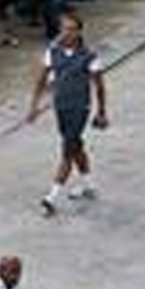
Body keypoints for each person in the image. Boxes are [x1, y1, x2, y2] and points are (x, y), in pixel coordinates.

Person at [28, 12, 109, 215]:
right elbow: (40, 80)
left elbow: (99, 87)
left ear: (79, 32)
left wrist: (101, 112)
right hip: (61, 108)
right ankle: (89, 185)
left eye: (72, 29)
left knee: (67, 151)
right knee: (76, 147)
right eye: (64, 28)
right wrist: (34, 106)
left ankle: (51, 198)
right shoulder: (52, 52)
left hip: (80, 109)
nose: (67, 33)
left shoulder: (90, 56)